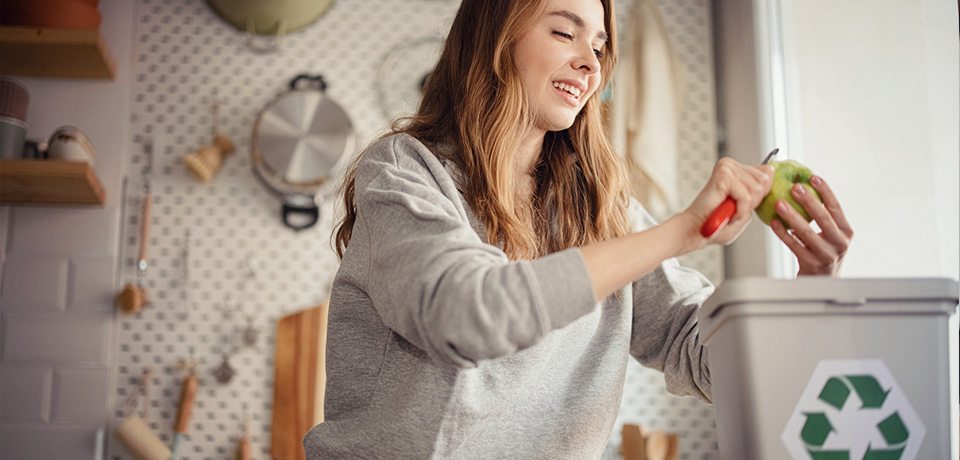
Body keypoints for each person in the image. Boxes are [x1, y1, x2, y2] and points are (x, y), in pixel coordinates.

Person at [305, 0, 853, 458]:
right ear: (496, 39)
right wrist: (682, 230)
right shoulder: (404, 171)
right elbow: (466, 315)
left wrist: (812, 285)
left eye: (598, 46)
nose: (590, 64)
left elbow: (707, 358)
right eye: (565, 32)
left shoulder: (601, 208)